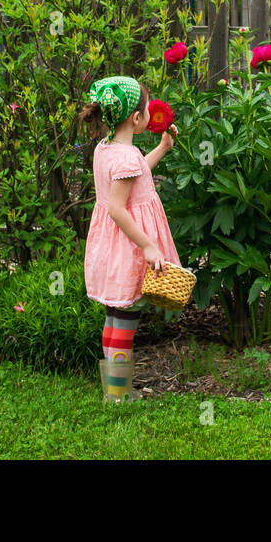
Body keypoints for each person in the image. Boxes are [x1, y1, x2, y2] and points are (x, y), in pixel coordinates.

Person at [77, 75, 181, 400]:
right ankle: (118, 395)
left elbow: (138, 173)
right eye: (147, 110)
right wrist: (149, 245)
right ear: (136, 119)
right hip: (129, 248)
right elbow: (118, 210)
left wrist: (162, 147)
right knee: (125, 321)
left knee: (115, 317)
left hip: (114, 245)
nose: (150, 115)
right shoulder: (123, 157)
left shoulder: (108, 149)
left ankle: (115, 388)